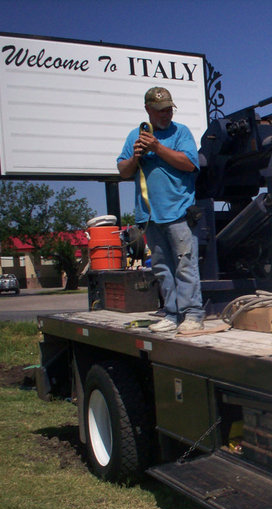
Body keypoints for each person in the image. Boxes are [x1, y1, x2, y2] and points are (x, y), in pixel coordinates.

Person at [117, 87, 205, 333]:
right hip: (149, 214)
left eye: (169, 109)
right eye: (160, 110)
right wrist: (135, 157)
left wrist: (157, 148)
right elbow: (123, 170)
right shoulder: (136, 135)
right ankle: (172, 314)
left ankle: (193, 314)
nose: (166, 115)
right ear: (148, 110)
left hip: (178, 211)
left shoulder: (181, 132)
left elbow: (189, 164)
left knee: (184, 264)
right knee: (162, 267)